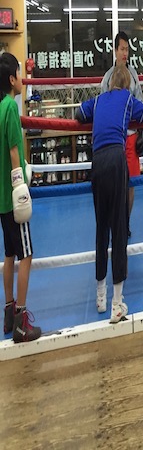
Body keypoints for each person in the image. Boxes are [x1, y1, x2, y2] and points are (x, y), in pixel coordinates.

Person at [76, 65, 143, 323]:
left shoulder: (97, 101)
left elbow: (79, 114)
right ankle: (117, 303)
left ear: (109, 84)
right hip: (116, 158)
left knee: (102, 227)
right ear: (127, 85)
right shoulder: (128, 98)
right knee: (119, 227)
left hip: (97, 160)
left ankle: (100, 297)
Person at [0, 53, 41, 343]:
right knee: (26, 255)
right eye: (19, 72)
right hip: (13, 199)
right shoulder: (10, 109)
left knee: (9, 254)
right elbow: (15, 152)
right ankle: (20, 323)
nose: (22, 78)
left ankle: (8, 311)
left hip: (1, 198)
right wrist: (21, 191)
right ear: (12, 78)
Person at [101, 31, 143, 237]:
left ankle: (125, 222)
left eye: (127, 49)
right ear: (115, 50)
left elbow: (141, 103)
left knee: (131, 182)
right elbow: (103, 106)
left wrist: (141, 132)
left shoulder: (134, 75)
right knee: (113, 183)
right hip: (114, 138)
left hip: (131, 136)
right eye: (122, 49)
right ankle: (114, 221)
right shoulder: (107, 78)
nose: (125, 53)